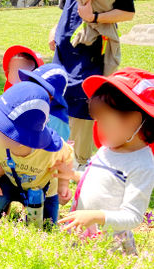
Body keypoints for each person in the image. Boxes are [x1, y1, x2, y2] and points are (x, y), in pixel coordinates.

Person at [56, 68, 154, 255]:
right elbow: (101, 179)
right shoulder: (109, 148)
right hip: (86, 232)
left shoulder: (142, 164)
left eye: (103, 121)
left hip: (109, 245)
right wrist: (73, 175)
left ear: (133, 120)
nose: (98, 127)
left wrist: (95, 216)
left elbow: (133, 215)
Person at [50, 0, 135, 168]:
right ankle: (56, 155)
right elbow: (66, 10)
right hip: (64, 50)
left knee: (83, 99)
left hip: (91, 48)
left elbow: (128, 13)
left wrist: (94, 17)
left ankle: (78, 162)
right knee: (58, 97)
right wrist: (54, 31)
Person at [0, 82, 73, 225]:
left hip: (43, 189)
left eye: (1, 126)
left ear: (20, 139)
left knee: (46, 226)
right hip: (9, 182)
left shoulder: (51, 150)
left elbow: (68, 156)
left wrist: (63, 185)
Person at [19, 63, 71, 141]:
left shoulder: (57, 119)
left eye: (38, 86)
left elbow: (57, 148)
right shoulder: (31, 105)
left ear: (52, 96)